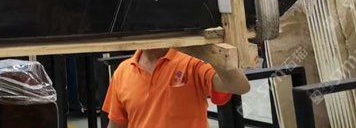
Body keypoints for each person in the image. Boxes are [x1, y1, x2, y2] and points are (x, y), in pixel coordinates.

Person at [103, 47, 251, 127]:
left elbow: (240, 87)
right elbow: (116, 124)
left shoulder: (191, 62)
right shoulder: (123, 71)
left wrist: (215, 54)